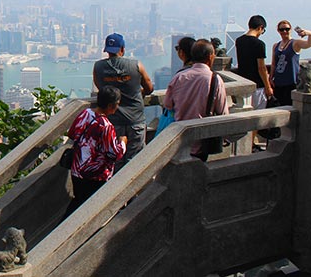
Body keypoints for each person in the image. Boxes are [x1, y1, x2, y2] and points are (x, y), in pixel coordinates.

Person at [93, 33, 154, 169]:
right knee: (136, 160)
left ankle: (115, 189)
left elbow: (101, 88)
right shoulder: (136, 65)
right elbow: (149, 88)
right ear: (122, 48)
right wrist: (137, 93)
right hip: (136, 119)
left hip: (113, 121)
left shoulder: (98, 67)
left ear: (107, 50)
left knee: (115, 160)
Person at [64, 86, 127, 217]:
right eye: (117, 104)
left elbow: (72, 134)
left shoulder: (85, 113)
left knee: (78, 201)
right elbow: (114, 154)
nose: (117, 107)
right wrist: (123, 142)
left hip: (77, 170)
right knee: (87, 209)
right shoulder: (106, 126)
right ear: (110, 105)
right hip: (95, 175)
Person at [164, 39, 229, 161]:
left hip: (179, 138)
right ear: (210, 56)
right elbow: (223, 113)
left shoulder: (179, 77)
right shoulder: (215, 79)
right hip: (202, 141)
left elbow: (168, 105)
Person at [235, 15, 273, 109]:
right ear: (260, 27)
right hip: (257, 86)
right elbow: (261, 68)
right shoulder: (259, 44)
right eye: (263, 31)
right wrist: (268, 86)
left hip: (243, 83)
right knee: (257, 114)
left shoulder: (239, 41)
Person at [270, 21, 311, 106]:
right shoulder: (276, 46)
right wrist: (270, 77)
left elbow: (308, 44)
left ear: (290, 30)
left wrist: (308, 33)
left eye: (287, 29)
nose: (284, 31)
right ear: (278, 31)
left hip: (291, 81)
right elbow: (274, 63)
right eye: (282, 29)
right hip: (278, 82)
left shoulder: (295, 43)